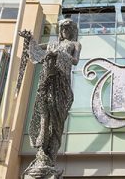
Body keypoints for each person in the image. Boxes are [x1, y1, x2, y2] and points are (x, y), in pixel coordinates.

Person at [22, 18, 81, 178]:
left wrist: (60, 54)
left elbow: (75, 61)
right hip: (50, 80)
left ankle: (50, 156)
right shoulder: (53, 43)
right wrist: (30, 39)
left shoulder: (75, 45)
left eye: (68, 29)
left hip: (63, 83)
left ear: (72, 30)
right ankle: (42, 152)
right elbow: (37, 49)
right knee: (45, 112)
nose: (65, 31)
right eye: (63, 29)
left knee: (57, 121)